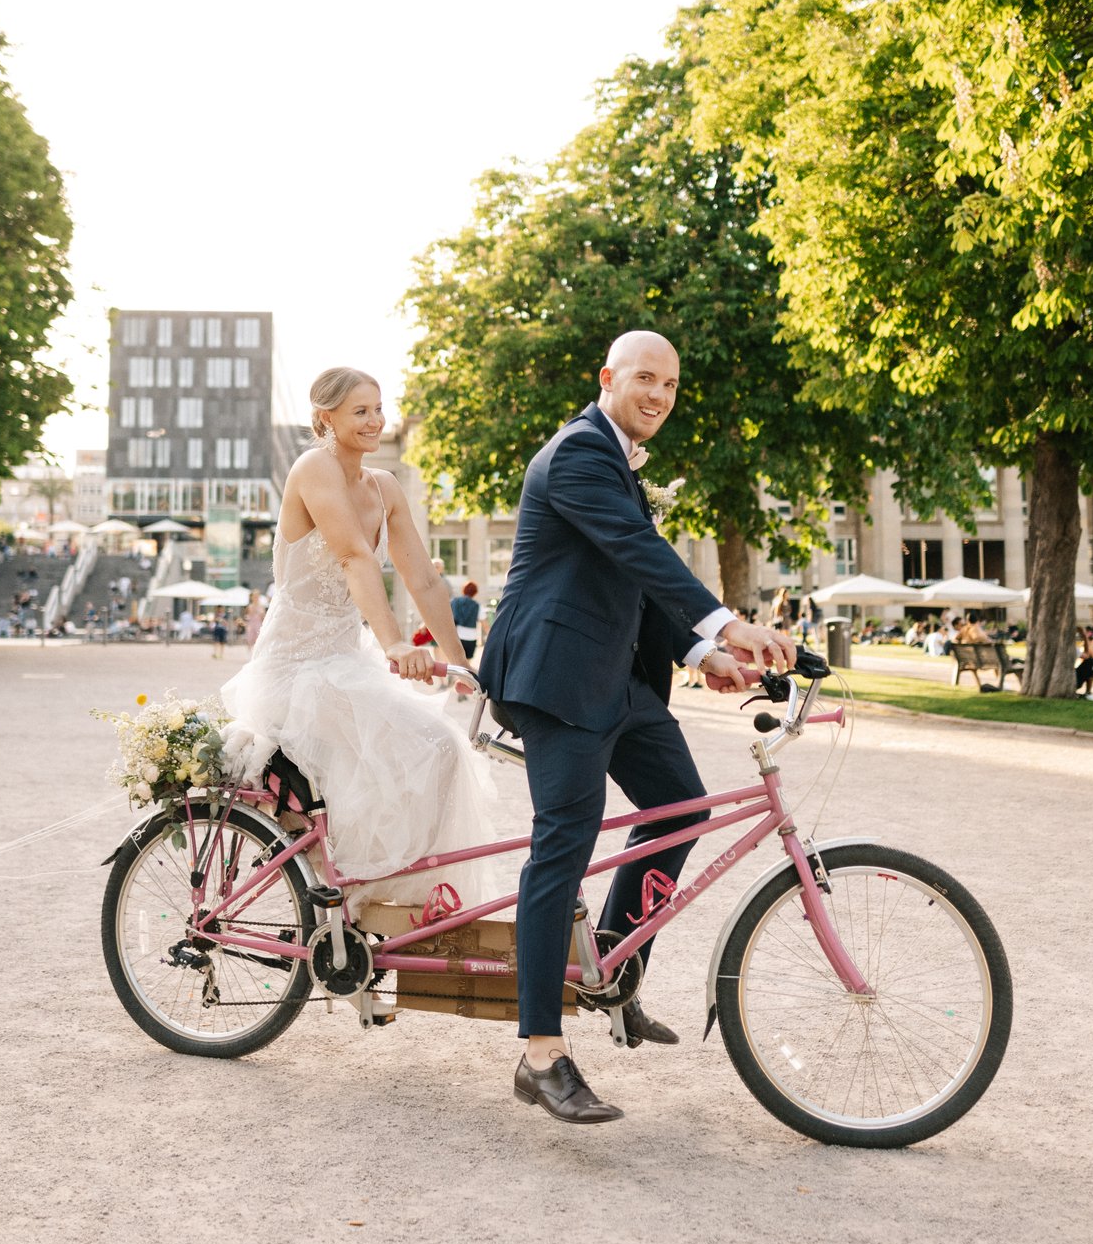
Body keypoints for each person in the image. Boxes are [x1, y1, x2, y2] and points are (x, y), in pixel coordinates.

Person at [476, 332, 798, 1126]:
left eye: (671, 384)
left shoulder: (619, 460)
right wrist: (724, 625)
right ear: (608, 379)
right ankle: (541, 1052)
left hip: (619, 678)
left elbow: (628, 576)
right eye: (645, 379)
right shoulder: (580, 452)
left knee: (680, 809)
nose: (659, 394)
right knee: (564, 843)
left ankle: (612, 967)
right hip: (556, 677)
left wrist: (698, 653)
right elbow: (636, 546)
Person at [216, 364, 505, 931]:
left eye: (379, 408)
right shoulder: (314, 469)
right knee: (393, 759)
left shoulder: (385, 487)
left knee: (441, 751)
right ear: (326, 418)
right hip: (295, 669)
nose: (376, 421)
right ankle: (343, 907)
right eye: (361, 411)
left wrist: (462, 667)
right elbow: (352, 556)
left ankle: (391, 906)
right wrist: (395, 643)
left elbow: (421, 579)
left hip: (345, 663)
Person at [451, 580, 482, 663]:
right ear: (475, 592)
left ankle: (455, 676)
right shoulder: (476, 605)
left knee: (456, 661)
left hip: (457, 636)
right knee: (467, 663)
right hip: (471, 637)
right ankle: (463, 676)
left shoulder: (454, 602)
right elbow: (484, 622)